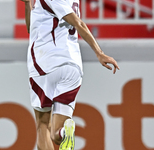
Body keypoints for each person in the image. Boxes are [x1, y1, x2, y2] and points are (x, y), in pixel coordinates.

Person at [21, 0, 120, 149]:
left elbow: (78, 23)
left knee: (42, 124)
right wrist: (27, 5)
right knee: (56, 134)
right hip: (72, 68)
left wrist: (100, 53)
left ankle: (64, 133)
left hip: (45, 64)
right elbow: (31, 28)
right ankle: (64, 133)